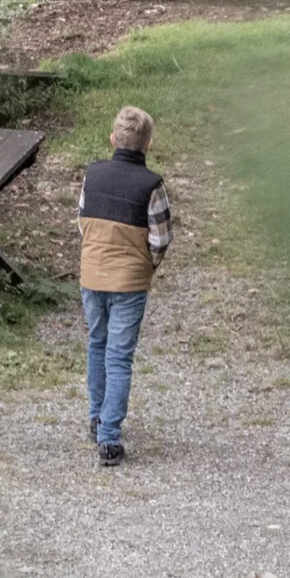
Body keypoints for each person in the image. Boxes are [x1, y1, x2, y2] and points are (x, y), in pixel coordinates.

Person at [77, 106, 174, 467]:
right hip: (130, 281)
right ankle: (109, 438)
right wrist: (147, 264)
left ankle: (96, 416)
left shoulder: (92, 175)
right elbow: (161, 238)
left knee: (97, 344)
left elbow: (82, 220)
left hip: (92, 275)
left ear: (113, 140)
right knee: (119, 355)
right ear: (148, 145)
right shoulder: (152, 185)